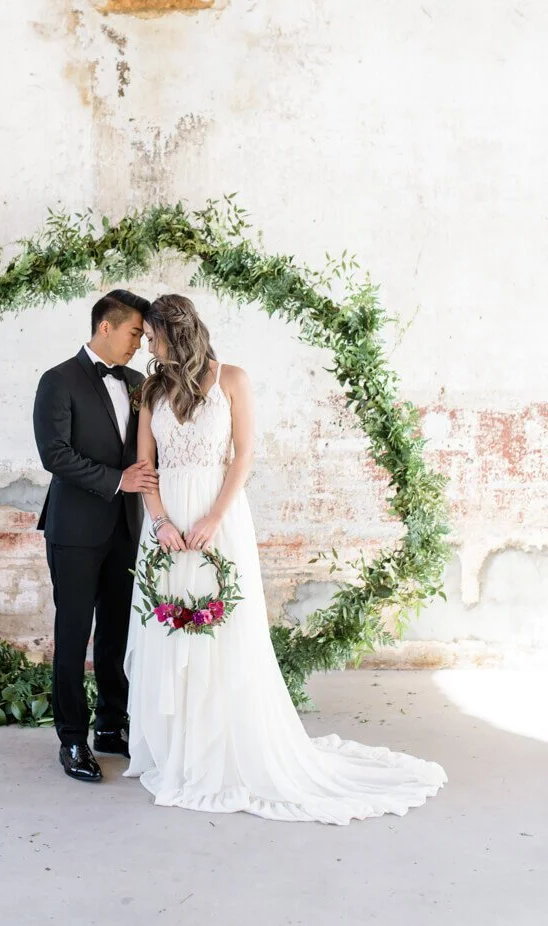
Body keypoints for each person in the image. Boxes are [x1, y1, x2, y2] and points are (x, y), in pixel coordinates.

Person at [123, 293, 448, 824]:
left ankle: (223, 745)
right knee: (171, 628)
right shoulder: (151, 389)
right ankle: (178, 746)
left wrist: (213, 519)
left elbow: (244, 455)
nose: (148, 347)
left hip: (218, 517)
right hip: (166, 523)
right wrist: (159, 521)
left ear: (176, 334)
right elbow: (144, 465)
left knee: (224, 629)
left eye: (154, 338)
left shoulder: (232, 379)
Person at [33, 289, 156, 782]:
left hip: (127, 526)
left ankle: (110, 725)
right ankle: (71, 739)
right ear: (106, 326)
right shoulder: (57, 380)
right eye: (134, 334)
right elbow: (55, 454)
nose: (139, 344)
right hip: (75, 531)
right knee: (73, 634)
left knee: (116, 633)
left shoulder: (139, 382)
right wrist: (117, 480)